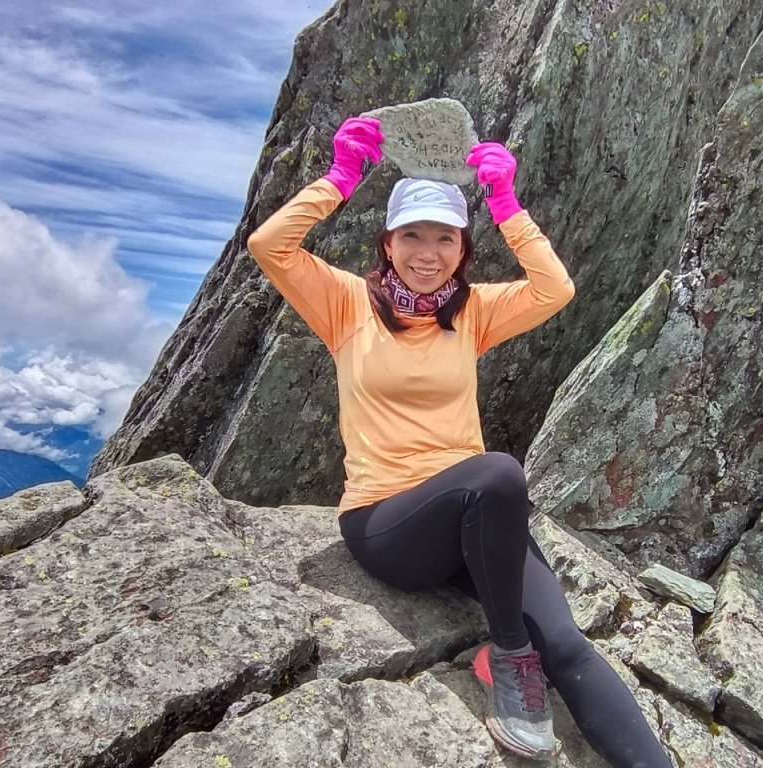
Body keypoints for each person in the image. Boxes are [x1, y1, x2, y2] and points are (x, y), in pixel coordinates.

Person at [247, 115, 673, 768]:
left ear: (462, 248)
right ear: (386, 244)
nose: (426, 252)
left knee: (564, 642)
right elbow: (269, 246)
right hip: (388, 524)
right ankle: (509, 661)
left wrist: (506, 204)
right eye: (410, 235)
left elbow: (554, 289)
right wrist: (338, 179)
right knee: (498, 473)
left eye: (443, 237)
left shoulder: (470, 312)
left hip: (479, 521)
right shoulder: (344, 303)